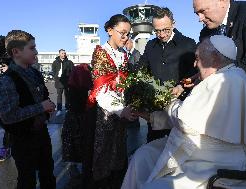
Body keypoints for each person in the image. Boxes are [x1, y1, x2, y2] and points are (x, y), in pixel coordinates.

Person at [122, 35, 246, 189]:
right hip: (201, 149)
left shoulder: (226, 80)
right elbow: (195, 117)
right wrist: (150, 116)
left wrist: (167, 101)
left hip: (217, 159)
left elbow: (186, 123)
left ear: (214, 59)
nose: (194, 63)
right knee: (142, 156)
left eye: (197, 58)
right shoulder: (223, 76)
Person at [193, 0, 246, 185]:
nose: (200, 18)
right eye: (196, 13)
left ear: (222, 1)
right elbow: (208, 68)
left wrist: (208, 84)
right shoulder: (206, 32)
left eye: (202, 11)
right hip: (230, 121)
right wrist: (194, 79)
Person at [0, 30, 56, 189]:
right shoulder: (6, 80)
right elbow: (8, 116)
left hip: (42, 133)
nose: (36, 51)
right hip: (23, 139)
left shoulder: (35, 73)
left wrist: (48, 106)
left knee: (48, 174)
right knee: (27, 179)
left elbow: (42, 96)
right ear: (16, 52)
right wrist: (40, 107)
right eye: (32, 48)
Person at [87, 14, 136, 189]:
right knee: (104, 153)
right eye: (122, 33)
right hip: (106, 113)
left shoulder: (123, 54)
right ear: (109, 30)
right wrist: (120, 109)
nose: (125, 37)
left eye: (128, 34)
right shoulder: (101, 53)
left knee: (119, 153)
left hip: (121, 112)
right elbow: (101, 90)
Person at [137, 7, 197, 142]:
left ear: (173, 24)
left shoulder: (188, 43)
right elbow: (141, 69)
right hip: (155, 109)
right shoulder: (150, 45)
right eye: (157, 31)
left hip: (180, 108)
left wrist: (183, 85)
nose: (162, 34)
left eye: (166, 30)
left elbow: (195, 71)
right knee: (153, 146)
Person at [61, 64, 93, 180]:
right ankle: (81, 167)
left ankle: (73, 166)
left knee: (73, 143)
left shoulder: (72, 84)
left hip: (72, 117)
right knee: (81, 142)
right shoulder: (85, 86)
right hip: (81, 118)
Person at [52, 49, 74, 114]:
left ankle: (67, 108)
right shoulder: (55, 62)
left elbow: (72, 71)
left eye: (64, 53)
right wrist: (56, 76)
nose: (64, 54)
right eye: (62, 53)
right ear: (59, 54)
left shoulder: (69, 62)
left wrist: (69, 77)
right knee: (59, 96)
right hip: (59, 82)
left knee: (67, 96)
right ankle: (59, 109)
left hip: (67, 82)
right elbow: (53, 71)